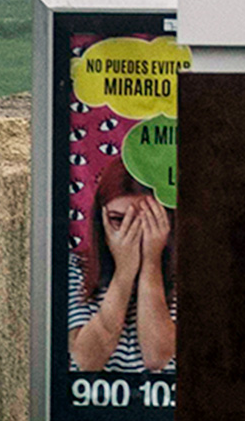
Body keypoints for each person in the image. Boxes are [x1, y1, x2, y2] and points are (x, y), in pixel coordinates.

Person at [68, 160, 176, 374]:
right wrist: (124, 273)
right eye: (118, 220)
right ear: (102, 219)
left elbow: (157, 358)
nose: (131, 232)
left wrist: (151, 263)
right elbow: (86, 361)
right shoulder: (75, 268)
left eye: (145, 220)